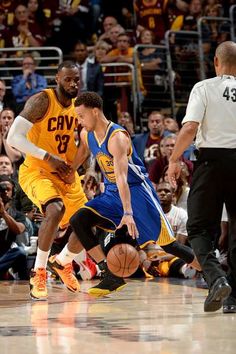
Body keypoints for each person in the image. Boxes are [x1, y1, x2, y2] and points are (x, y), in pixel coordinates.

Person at [61, 92, 200, 297]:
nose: (79, 121)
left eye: (81, 116)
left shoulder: (117, 137)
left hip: (138, 193)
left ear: (95, 111)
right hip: (111, 192)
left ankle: (213, 274)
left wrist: (127, 213)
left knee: (169, 245)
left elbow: (122, 179)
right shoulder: (86, 133)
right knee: (79, 220)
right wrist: (71, 170)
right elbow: (83, 150)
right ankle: (110, 274)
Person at [7, 61, 88, 300]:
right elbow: (13, 137)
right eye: (68, 79)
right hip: (38, 170)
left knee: (92, 219)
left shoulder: (78, 107)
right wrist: (48, 157)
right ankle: (39, 271)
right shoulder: (42, 100)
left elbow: (84, 143)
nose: (73, 84)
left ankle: (63, 262)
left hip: (65, 173)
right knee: (54, 209)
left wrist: (78, 167)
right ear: (57, 79)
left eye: (76, 80)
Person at [167, 41, 236, 313]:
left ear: (216, 63)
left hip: (212, 161)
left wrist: (174, 160)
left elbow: (190, 128)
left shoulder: (205, 87)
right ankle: (233, 298)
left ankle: (216, 277)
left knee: (197, 226)